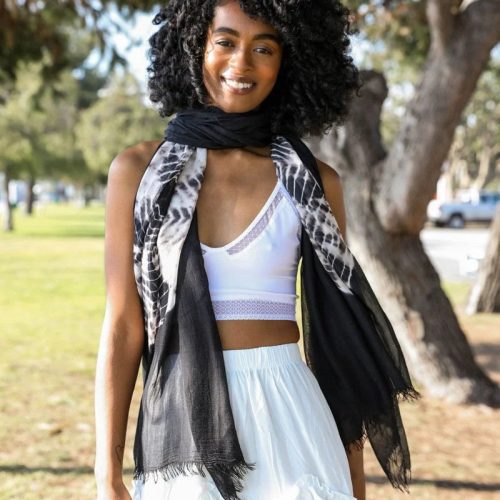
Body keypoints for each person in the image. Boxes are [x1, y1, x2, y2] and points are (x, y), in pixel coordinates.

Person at [95, 1, 418, 499]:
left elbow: (339, 341)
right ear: (194, 46)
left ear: (290, 61)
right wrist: (106, 471)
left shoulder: (312, 181)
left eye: (263, 48)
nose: (241, 64)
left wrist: (354, 482)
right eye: (225, 42)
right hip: (182, 415)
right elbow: (122, 324)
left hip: (290, 412)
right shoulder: (140, 171)